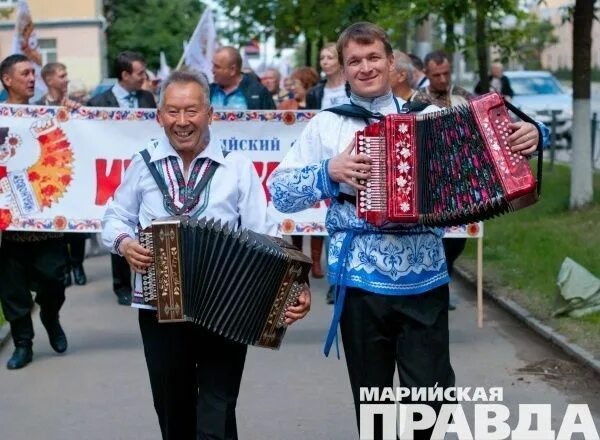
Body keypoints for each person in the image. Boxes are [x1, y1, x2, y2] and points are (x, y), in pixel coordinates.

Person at [267, 22, 541, 439]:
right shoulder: (326, 125)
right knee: (374, 407)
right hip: (358, 284)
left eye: (373, 57)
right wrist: (329, 171)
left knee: (432, 405)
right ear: (342, 69)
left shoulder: (429, 117)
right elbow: (280, 194)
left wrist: (530, 136)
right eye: (354, 61)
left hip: (424, 280)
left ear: (391, 61)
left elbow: (492, 160)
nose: (365, 67)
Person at [102, 70, 311, 440]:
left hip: (228, 307)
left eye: (192, 111)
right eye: (173, 112)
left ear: (210, 114)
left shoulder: (237, 166)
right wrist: (124, 243)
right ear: (160, 116)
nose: (182, 122)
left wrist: (296, 285)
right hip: (158, 307)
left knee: (218, 406)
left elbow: (266, 231)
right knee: (171, 405)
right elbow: (115, 216)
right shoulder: (143, 163)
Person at [0, 54, 69, 369]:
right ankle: (23, 344)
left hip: (46, 224)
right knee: (12, 290)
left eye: (34, 73)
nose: (32, 78)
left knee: (54, 282)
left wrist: (79, 119)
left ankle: (51, 316)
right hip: (8, 228)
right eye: (25, 73)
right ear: (7, 80)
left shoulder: (53, 114)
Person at [88, 50, 157, 306]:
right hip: (111, 173)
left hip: (143, 173)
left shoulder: (148, 98)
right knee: (119, 224)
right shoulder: (98, 103)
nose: (144, 77)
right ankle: (121, 286)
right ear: (125, 74)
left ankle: (149, 280)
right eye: (140, 73)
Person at [412, 50, 475, 281]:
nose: (442, 79)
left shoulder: (463, 97)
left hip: (461, 179)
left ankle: (445, 273)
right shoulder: (416, 100)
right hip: (430, 180)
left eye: (446, 74)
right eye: (436, 75)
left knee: (458, 238)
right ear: (427, 74)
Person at [37, 62, 87, 287]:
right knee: (59, 224)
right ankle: (64, 266)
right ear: (49, 80)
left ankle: (77, 263)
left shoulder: (76, 106)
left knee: (77, 225)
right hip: (50, 174)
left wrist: (79, 113)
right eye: (62, 75)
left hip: (74, 172)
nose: (66, 79)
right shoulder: (36, 107)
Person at [210, 46, 275, 110]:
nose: (212, 70)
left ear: (232, 70)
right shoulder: (208, 91)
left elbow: (272, 119)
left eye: (217, 67)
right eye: (213, 65)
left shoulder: (258, 92)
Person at [306, 42, 349, 110]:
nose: (325, 62)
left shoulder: (354, 88)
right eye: (322, 58)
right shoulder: (314, 93)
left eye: (330, 58)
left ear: (340, 61)